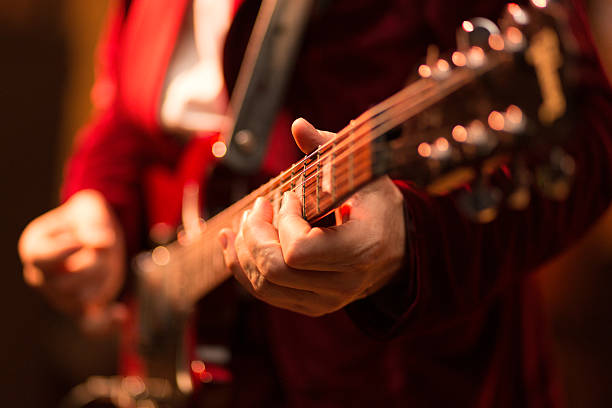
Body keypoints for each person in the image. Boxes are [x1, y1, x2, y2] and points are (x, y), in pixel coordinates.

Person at [18, 0, 612, 406]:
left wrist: (412, 240)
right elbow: (132, 103)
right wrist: (99, 201)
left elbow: (588, 132)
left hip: (404, 382)